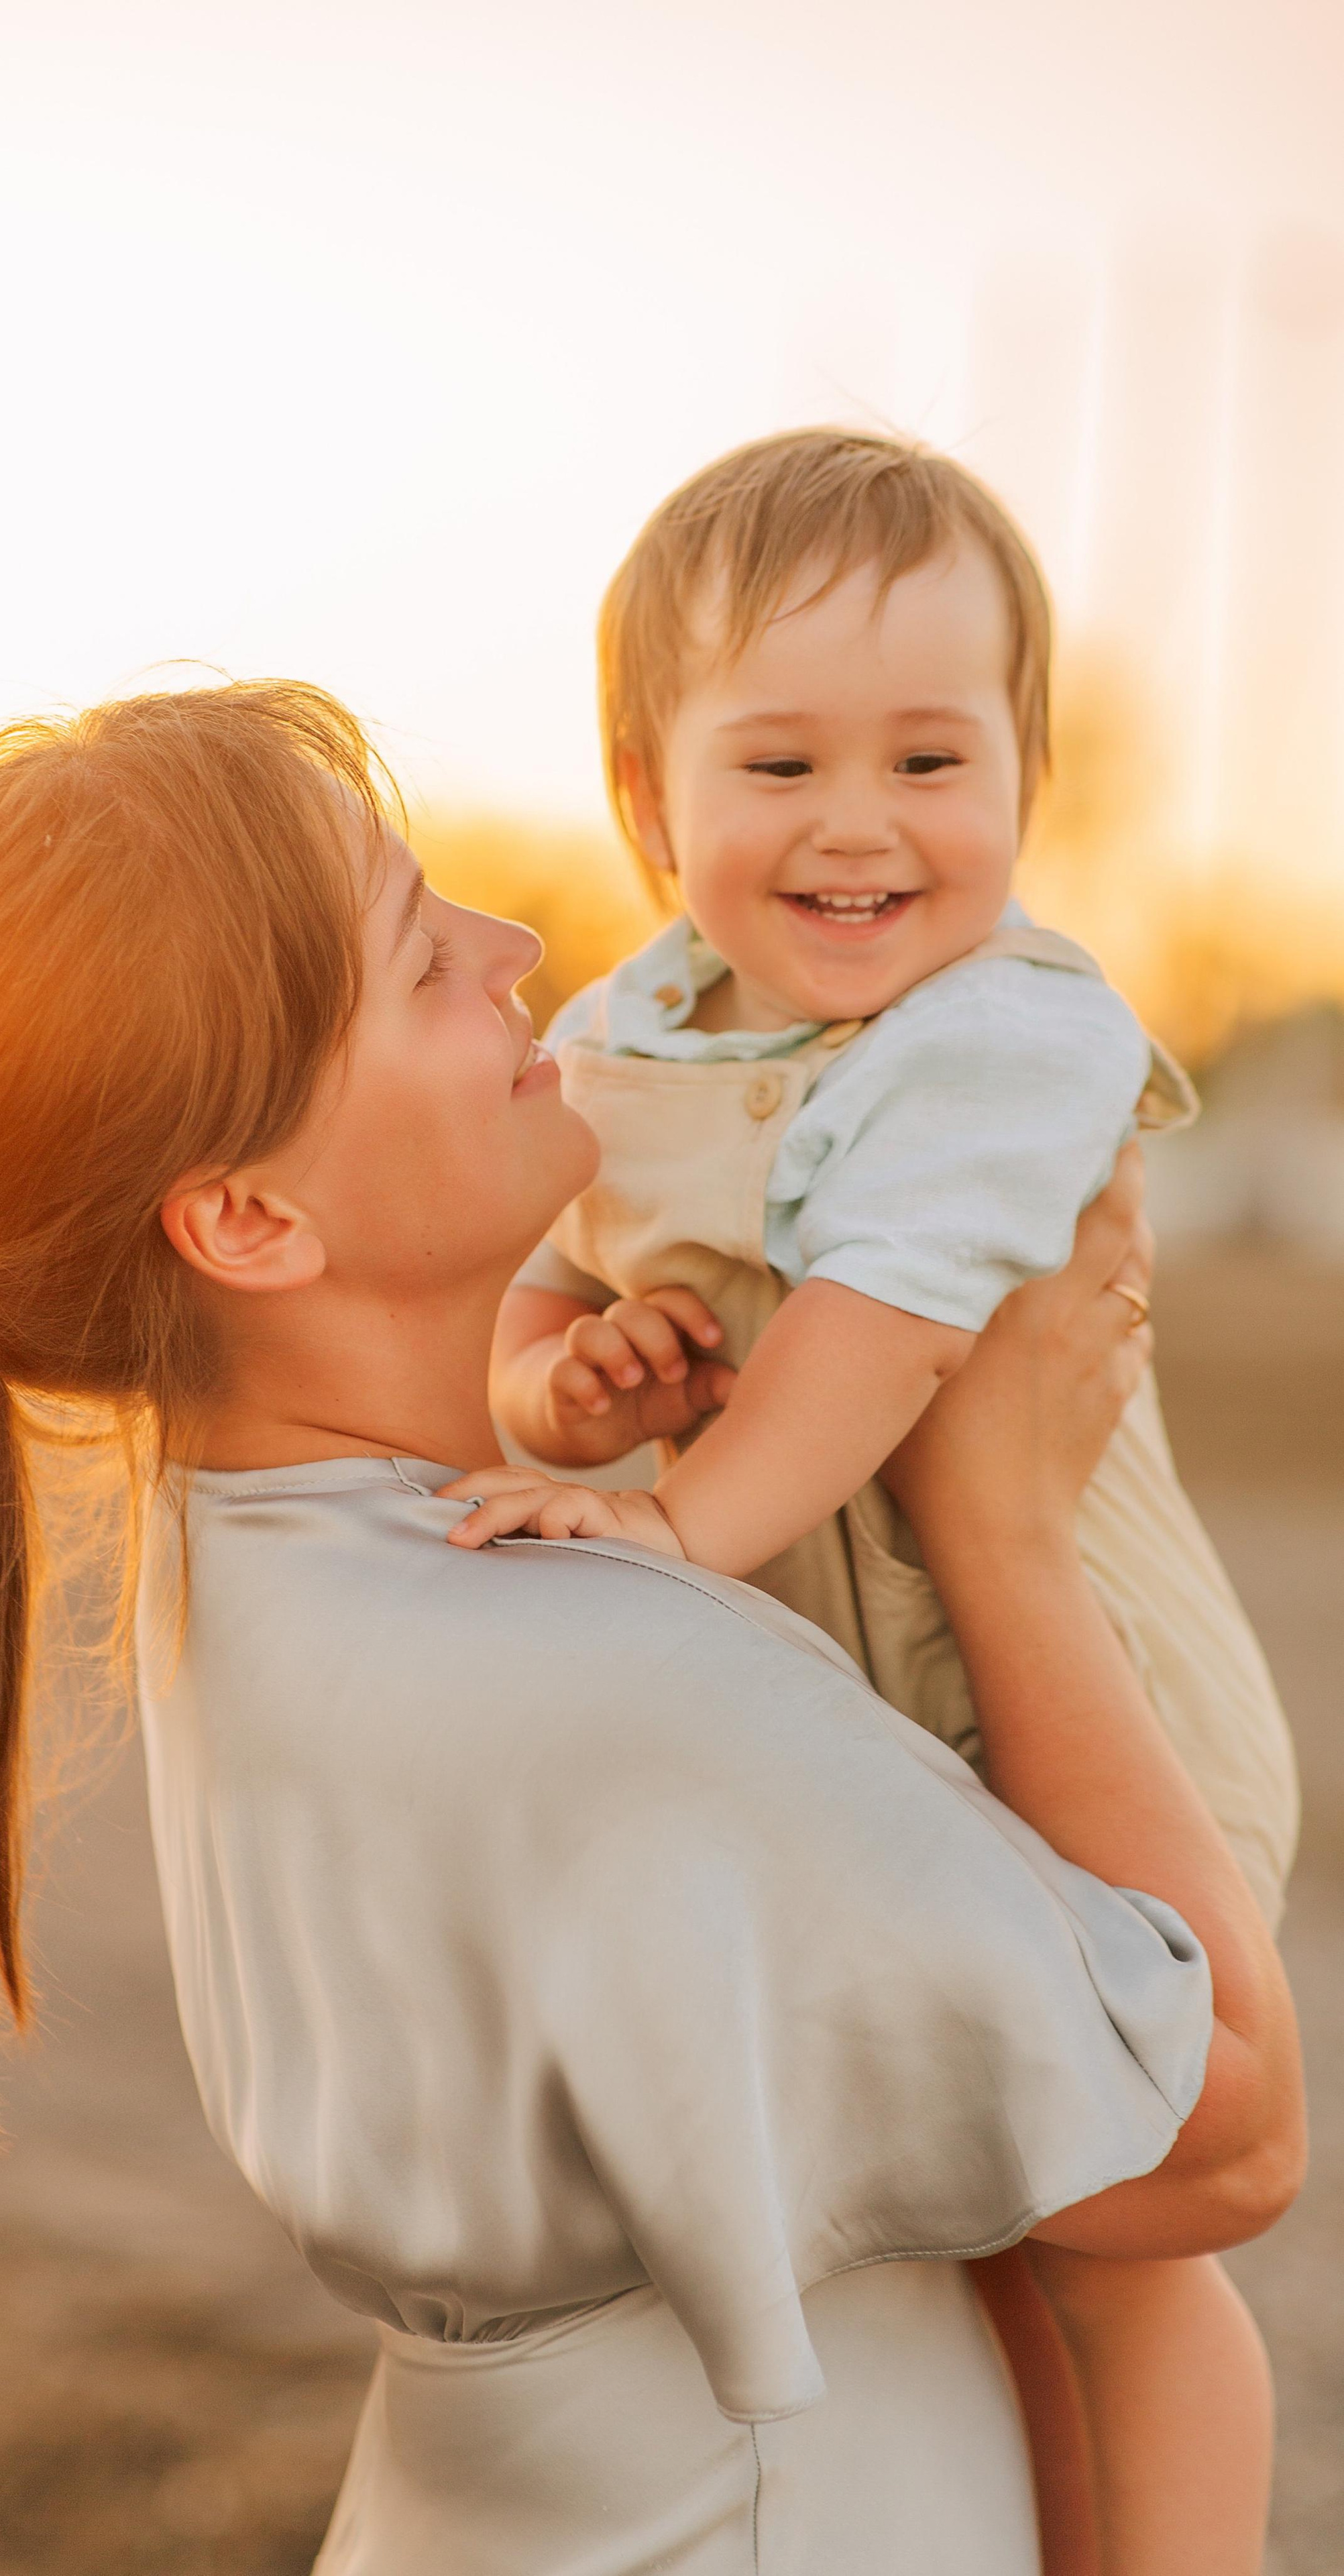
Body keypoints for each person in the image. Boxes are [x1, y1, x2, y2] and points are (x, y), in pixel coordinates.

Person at [0, 685, 1302, 2575]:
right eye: (414, 956)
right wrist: (1003, 1525)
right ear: (247, 1221)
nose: (517, 947)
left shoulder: (247, 1561)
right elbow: (1227, 2140)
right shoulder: (607, 1678)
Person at [475, 431, 1301, 2568]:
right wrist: (575, 1392)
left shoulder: (1009, 1030)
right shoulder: (628, 1038)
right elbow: (541, 1293)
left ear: (1030, 787)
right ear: (653, 803)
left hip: (1098, 1718)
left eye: (935, 761)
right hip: (889, 1723)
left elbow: (892, 1315)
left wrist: (678, 1521)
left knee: (1132, 2253)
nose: (863, 826)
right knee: (1015, 2237)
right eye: (781, 769)